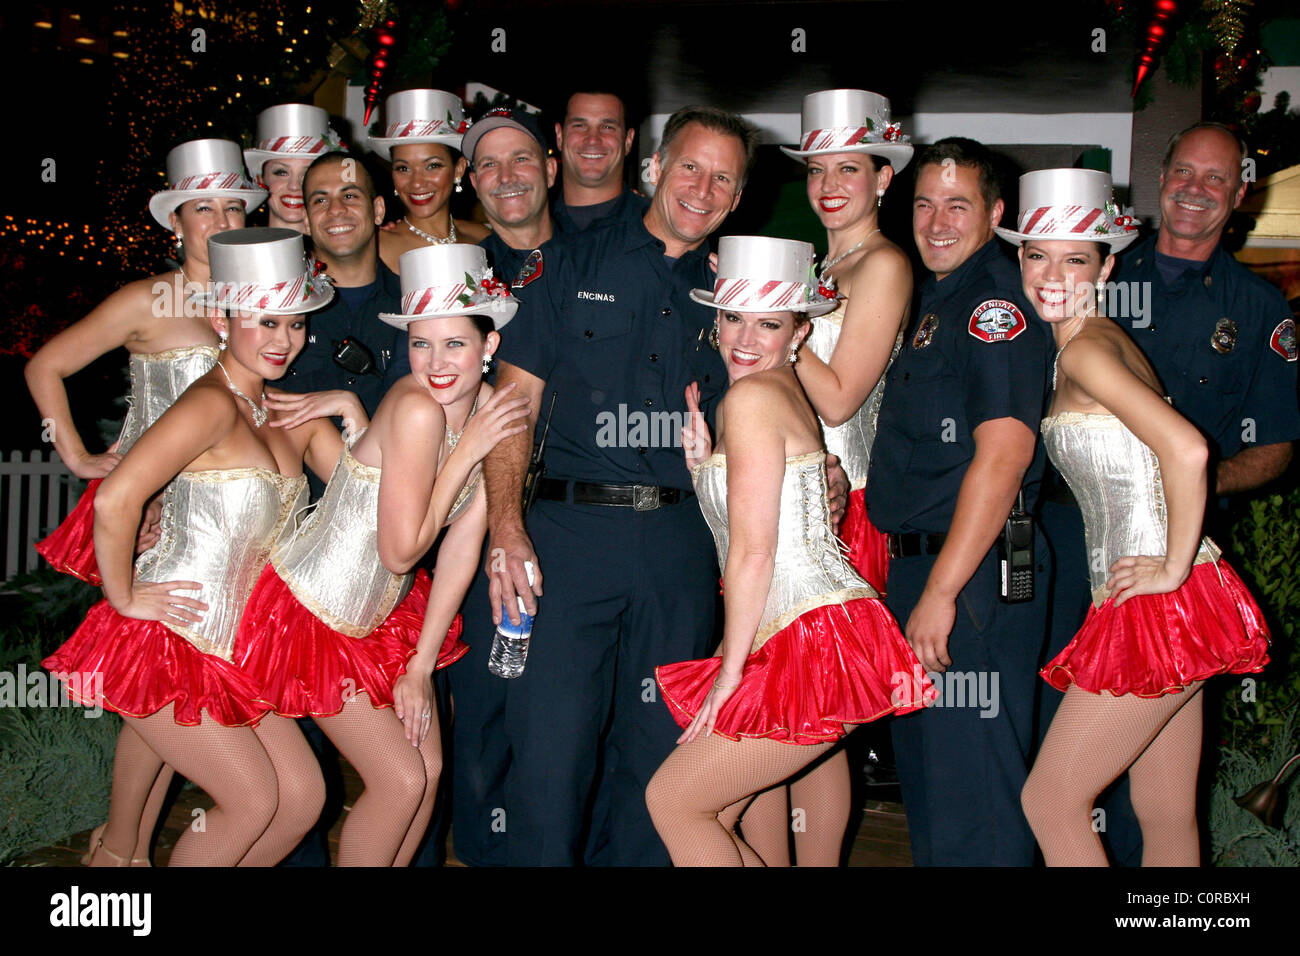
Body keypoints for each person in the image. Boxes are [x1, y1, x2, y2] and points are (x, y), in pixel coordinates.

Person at [1041, 123, 1300, 865]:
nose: (1194, 189)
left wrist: (1171, 554)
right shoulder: (1093, 289)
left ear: (1240, 194)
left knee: (1052, 800)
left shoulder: (1256, 308)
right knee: (1163, 810)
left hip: (1162, 579)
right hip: (1108, 560)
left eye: (1215, 178)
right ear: (1160, 178)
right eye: (1183, 171)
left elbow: (1201, 448)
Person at [43, 228, 341, 866]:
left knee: (303, 798)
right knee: (254, 801)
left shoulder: (266, 409)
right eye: (264, 320)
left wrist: (354, 410)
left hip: (232, 651)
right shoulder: (209, 404)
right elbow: (116, 498)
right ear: (224, 318)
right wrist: (125, 598)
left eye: (293, 323)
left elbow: (359, 505)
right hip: (167, 642)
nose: (283, 339)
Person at [235, 244, 529, 866]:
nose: (436, 362)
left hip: (375, 617)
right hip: (311, 614)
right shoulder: (419, 407)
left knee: (426, 772)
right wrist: (467, 453)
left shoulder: (486, 415)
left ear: (490, 348)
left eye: (455, 344)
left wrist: (421, 667)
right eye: (421, 344)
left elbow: (462, 547)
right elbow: (400, 553)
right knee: (399, 780)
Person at [645, 236, 929, 866]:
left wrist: (729, 671)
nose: (745, 338)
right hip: (806, 624)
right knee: (736, 805)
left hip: (808, 631)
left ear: (801, 333)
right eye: (733, 316)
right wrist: (703, 468)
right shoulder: (765, 394)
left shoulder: (749, 398)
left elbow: (754, 553)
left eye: (769, 323)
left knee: (673, 800)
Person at [27, 139, 264, 867]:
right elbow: (47, 365)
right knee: (157, 670)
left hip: (222, 518)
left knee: (171, 683)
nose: (220, 219)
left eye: (232, 206)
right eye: (204, 208)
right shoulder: (147, 300)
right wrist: (79, 457)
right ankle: (121, 851)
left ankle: (118, 844)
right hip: (158, 516)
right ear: (177, 223)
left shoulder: (255, 299)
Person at [867, 137, 1053, 866]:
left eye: (959, 205)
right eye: (924, 204)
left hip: (969, 576)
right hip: (930, 570)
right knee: (938, 795)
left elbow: (1005, 454)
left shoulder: (993, 304)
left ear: (996, 212)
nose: (937, 221)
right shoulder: (940, 299)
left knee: (976, 802)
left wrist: (941, 591)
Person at [371, 89, 490, 274]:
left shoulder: (484, 238)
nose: (417, 183)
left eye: (432, 166)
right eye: (403, 168)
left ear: (458, 168)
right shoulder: (375, 245)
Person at [462, 108, 559, 285]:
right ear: (475, 183)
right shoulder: (464, 280)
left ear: (550, 172)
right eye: (490, 164)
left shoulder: (598, 260)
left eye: (520, 159)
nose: (506, 177)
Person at [551, 90, 649, 233]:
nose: (592, 139)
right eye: (579, 125)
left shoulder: (657, 227)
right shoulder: (527, 225)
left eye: (608, 127)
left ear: (628, 141)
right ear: (559, 136)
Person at [245, 103, 344, 234]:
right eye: (281, 172)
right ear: (260, 179)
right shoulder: (240, 251)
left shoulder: (347, 250)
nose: (294, 186)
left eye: (306, 174)